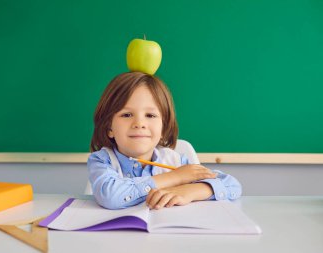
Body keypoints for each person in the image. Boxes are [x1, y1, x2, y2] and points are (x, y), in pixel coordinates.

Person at [88, 72, 242, 210]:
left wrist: (191, 191)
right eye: (127, 115)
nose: (139, 123)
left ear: (163, 127)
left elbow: (232, 185)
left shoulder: (175, 161)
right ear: (109, 128)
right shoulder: (102, 161)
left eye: (150, 115)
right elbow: (110, 196)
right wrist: (176, 178)